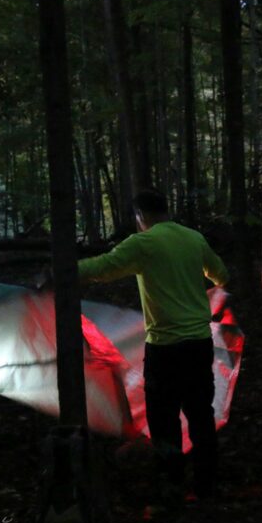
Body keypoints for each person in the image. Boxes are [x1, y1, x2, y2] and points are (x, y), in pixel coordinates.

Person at [77, 188, 229, 500]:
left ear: (140, 217)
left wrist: (64, 272)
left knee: (164, 417)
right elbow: (221, 275)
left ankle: (172, 482)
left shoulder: (142, 243)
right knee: (200, 412)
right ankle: (206, 483)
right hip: (199, 344)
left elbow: (102, 268)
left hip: (165, 347)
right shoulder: (193, 238)